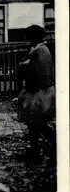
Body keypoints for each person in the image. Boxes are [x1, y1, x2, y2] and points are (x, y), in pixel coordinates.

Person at [16, 25, 55, 161]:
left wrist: (25, 68)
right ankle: (34, 151)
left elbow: (41, 73)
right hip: (35, 90)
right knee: (32, 122)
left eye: (29, 36)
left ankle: (54, 145)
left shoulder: (41, 51)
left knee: (37, 122)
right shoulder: (34, 49)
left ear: (35, 36)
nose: (27, 39)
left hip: (40, 91)